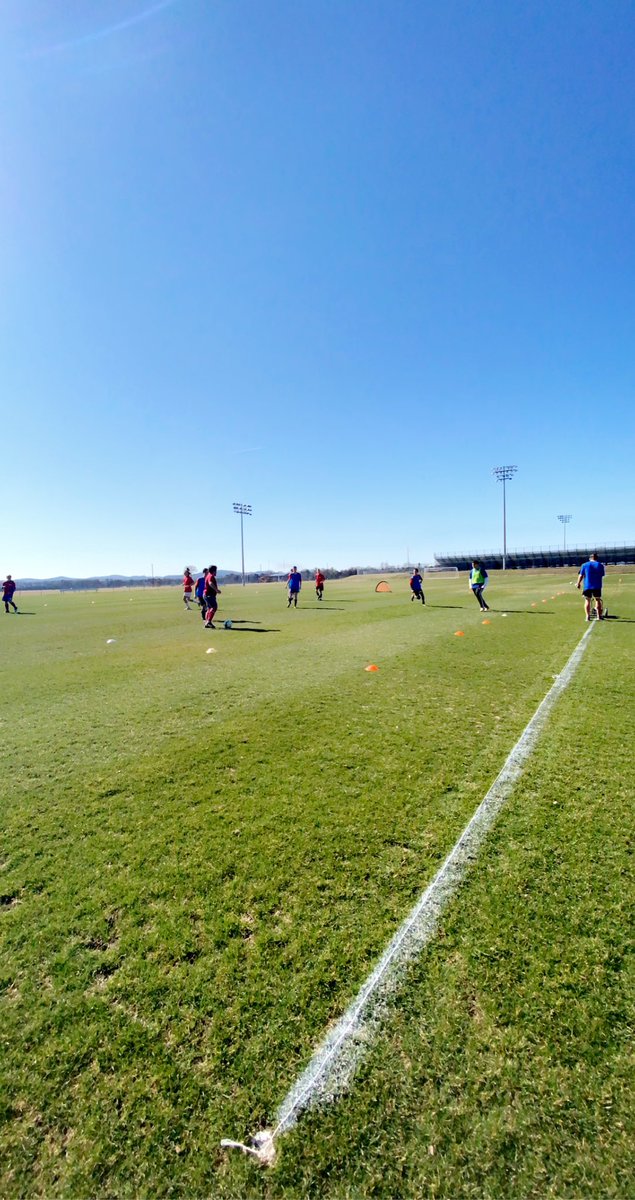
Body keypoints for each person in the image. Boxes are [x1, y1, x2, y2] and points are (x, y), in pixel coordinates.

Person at [577, 552, 605, 621]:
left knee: (587, 600)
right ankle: (599, 616)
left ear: (590, 558)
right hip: (597, 585)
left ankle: (587, 617)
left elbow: (581, 575)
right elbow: (602, 575)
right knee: (597, 600)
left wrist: (578, 583)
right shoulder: (600, 565)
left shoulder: (585, 565)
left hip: (587, 585)